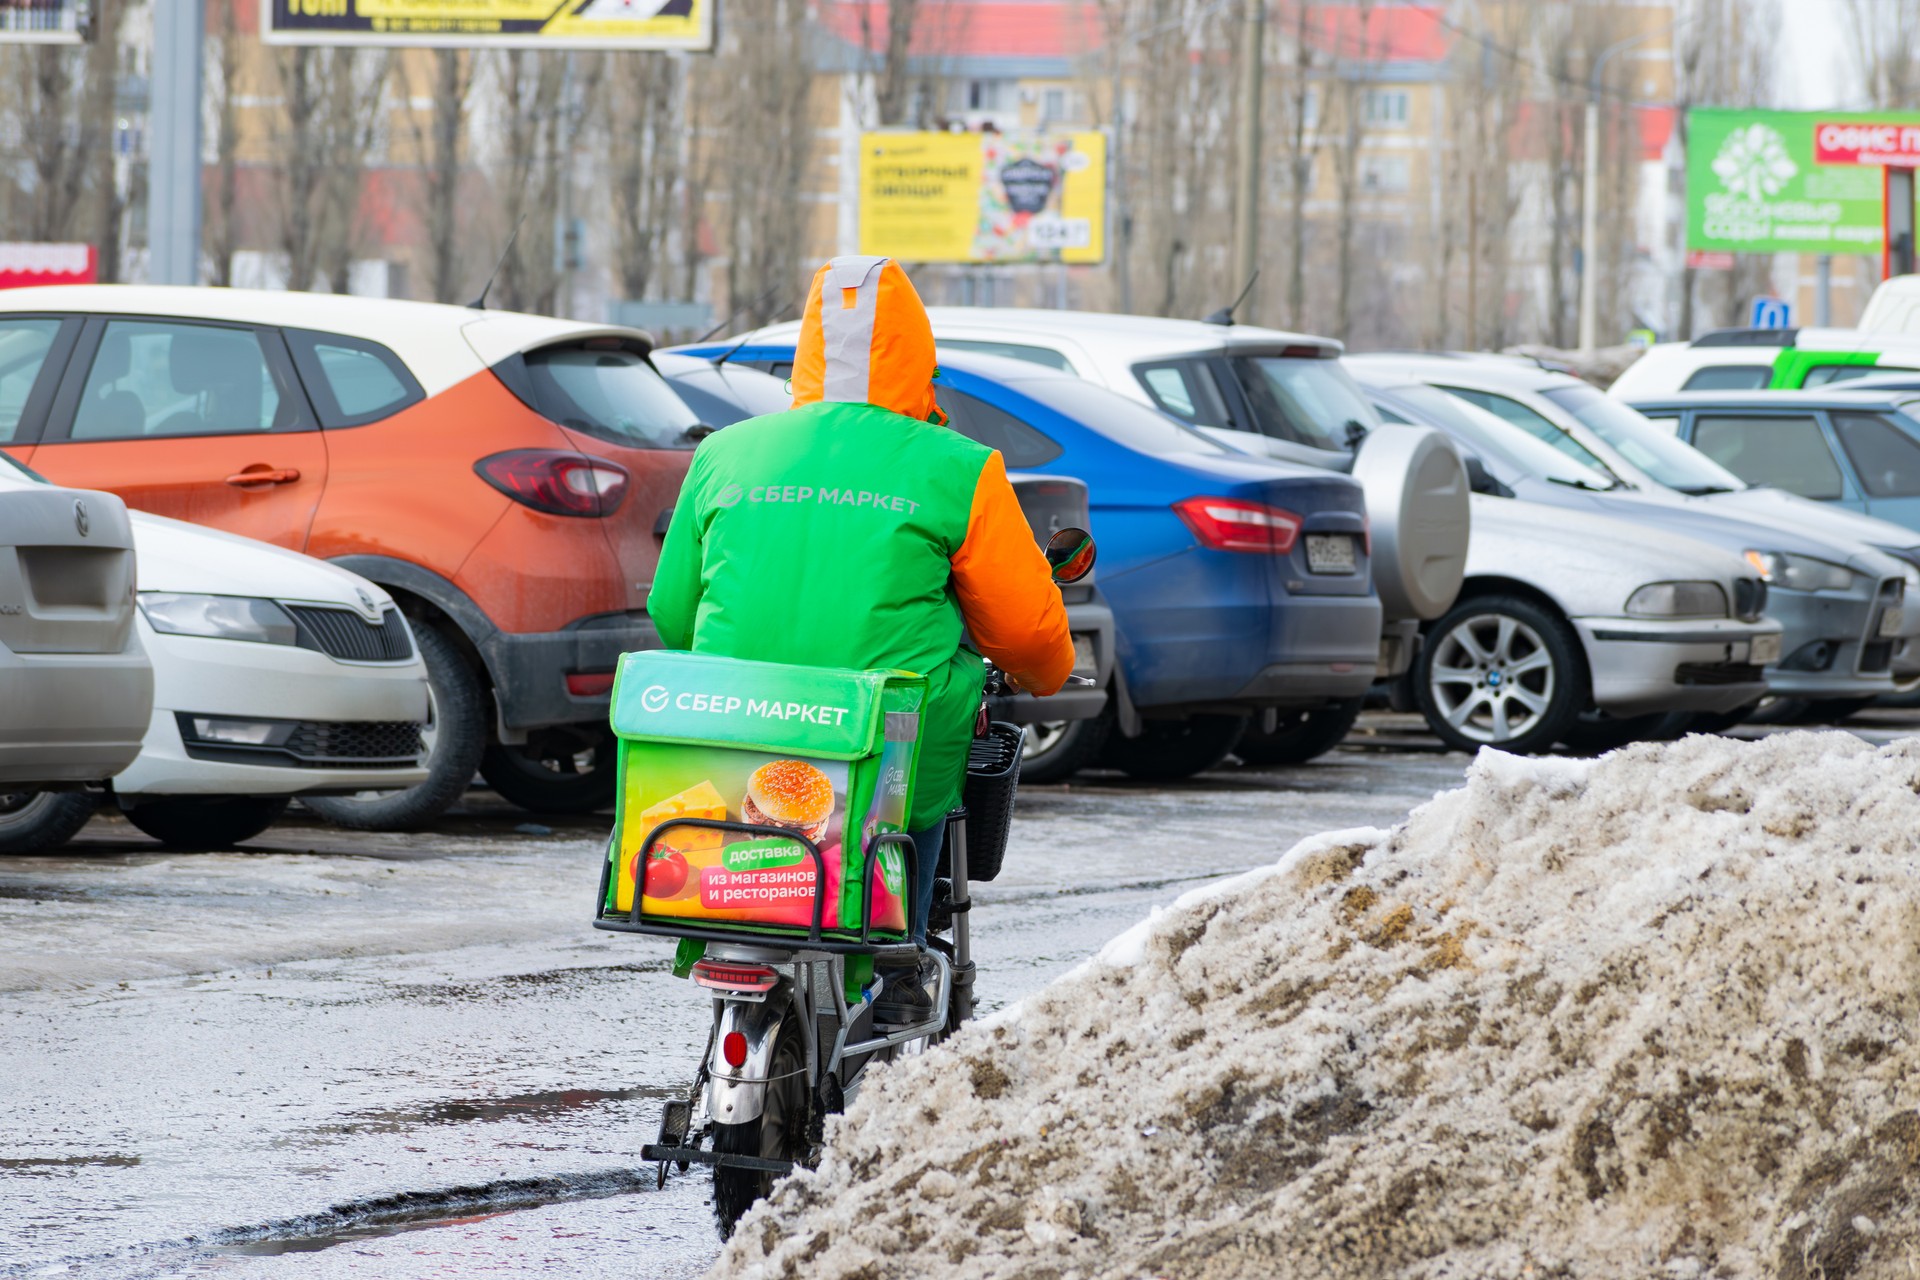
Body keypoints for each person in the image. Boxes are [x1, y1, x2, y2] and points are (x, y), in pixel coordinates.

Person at [648, 254, 1075, 1019]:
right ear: (918, 354)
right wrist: (1042, 670)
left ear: (808, 346)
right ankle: (895, 961)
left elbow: (674, 614)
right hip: (889, 750)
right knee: (914, 801)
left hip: (731, 735)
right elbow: (1026, 634)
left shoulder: (725, 454)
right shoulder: (960, 469)